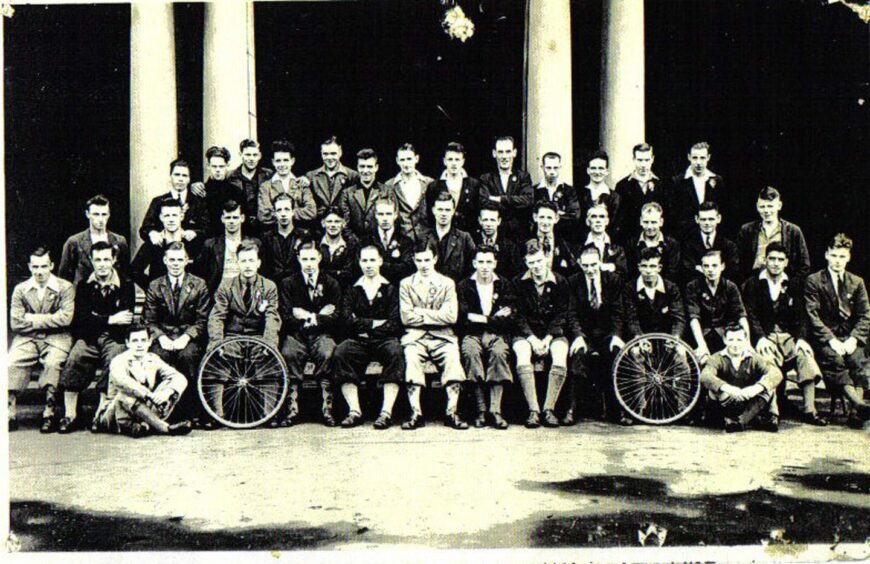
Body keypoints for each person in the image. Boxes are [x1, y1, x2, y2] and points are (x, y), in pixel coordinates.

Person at [741, 242, 826, 425]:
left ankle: (810, 411)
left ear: (786, 262)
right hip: (766, 336)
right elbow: (750, 315)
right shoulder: (753, 284)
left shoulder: (794, 284)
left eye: (780, 260)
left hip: (788, 338)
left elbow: (803, 315)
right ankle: (773, 413)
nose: (775, 264)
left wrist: (802, 339)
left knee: (805, 358)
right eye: (772, 259)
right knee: (768, 363)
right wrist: (760, 338)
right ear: (765, 260)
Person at [58, 241, 135, 433]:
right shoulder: (84, 286)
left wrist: (96, 318)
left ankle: (100, 413)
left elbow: (124, 320)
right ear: (91, 260)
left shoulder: (125, 285)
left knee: (115, 358)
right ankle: (70, 414)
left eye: (106, 259)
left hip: (114, 339)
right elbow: (80, 320)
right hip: (89, 338)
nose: (102, 264)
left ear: (114, 260)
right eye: (98, 259)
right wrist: (110, 319)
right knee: (76, 356)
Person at [206, 240, 281, 423]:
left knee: (268, 361)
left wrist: (269, 343)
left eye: (251, 261)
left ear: (258, 263)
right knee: (218, 360)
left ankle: (268, 414)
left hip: (258, 336)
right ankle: (217, 414)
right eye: (243, 261)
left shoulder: (269, 287)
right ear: (238, 263)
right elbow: (217, 316)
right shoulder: (226, 286)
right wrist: (217, 342)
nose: (247, 265)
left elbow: (272, 317)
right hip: (232, 336)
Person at [331, 244, 404, 429]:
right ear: (359, 262)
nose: (369, 265)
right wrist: (375, 323)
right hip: (359, 340)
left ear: (380, 261)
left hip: (384, 339)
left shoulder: (390, 289)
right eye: (364, 260)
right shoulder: (352, 289)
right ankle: (354, 411)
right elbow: (347, 320)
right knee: (341, 352)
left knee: (395, 352)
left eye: (372, 260)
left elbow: (394, 322)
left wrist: (365, 326)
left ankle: (386, 412)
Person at [399, 239, 468, 430]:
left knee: (452, 359)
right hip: (416, 337)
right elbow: (406, 317)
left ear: (435, 259)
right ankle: (416, 412)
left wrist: (420, 313)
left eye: (427, 260)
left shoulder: (447, 283)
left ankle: (451, 411)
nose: (423, 265)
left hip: (443, 336)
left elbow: (451, 316)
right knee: (411, 358)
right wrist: (436, 316)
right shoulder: (406, 284)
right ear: (413, 260)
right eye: (419, 260)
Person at [804, 234, 870, 428]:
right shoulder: (814, 281)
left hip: (849, 337)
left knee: (858, 360)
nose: (837, 261)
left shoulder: (856, 282)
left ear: (848, 257)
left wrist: (853, 339)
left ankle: (854, 413)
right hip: (825, 338)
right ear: (826, 255)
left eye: (842, 256)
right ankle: (859, 404)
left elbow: (865, 315)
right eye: (834, 256)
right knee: (834, 361)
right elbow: (812, 315)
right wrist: (831, 340)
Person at [143, 242, 211, 427]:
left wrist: (186, 337)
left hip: (188, 338)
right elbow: (149, 320)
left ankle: (189, 411)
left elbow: (202, 321)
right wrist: (162, 338)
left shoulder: (199, 284)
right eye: (171, 259)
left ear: (187, 261)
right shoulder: (155, 285)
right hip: (163, 337)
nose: (175, 264)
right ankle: (159, 410)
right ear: (165, 260)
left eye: (180, 259)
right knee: (158, 357)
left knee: (188, 357)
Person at [7, 248, 74, 432]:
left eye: (44, 266)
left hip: (57, 338)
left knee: (53, 363)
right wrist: (50, 319)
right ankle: (9, 412)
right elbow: (16, 323)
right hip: (27, 338)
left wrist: (31, 318)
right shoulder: (21, 290)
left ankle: (49, 412)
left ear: (51, 266)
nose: (39, 271)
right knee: (11, 362)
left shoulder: (65, 287)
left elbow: (65, 318)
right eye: (35, 266)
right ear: (29, 266)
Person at [277, 240, 342, 427]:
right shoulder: (288, 283)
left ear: (320, 258)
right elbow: (287, 316)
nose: (309, 263)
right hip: (297, 334)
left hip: (322, 334)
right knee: (289, 353)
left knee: (326, 352)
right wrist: (319, 315)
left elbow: (336, 316)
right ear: (298, 259)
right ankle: (291, 408)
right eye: (304, 259)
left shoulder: (331, 283)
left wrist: (309, 317)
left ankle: (327, 408)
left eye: (313, 258)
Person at [93, 323, 193, 438]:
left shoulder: (152, 358)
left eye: (143, 340)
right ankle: (164, 428)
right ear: (127, 343)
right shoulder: (119, 361)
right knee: (125, 394)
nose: (140, 345)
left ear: (149, 342)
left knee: (170, 384)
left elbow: (179, 377)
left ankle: (144, 426)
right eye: (135, 341)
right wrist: (149, 395)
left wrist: (167, 392)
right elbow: (124, 381)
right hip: (116, 414)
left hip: (142, 410)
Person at [512, 239, 572, 428]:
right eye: (531, 262)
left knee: (560, 353)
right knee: (522, 353)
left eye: (539, 261)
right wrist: (531, 338)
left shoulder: (560, 282)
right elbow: (518, 315)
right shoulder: (518, 282)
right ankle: (533, 410)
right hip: (526, 334)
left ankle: (549, 409)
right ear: (525, 262)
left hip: (551, 334)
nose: (536, 266)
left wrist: (547, 338)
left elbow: (562, 314)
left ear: (546, 258)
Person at [458, 245, 517, 429]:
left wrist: (481, 319)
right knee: (470, 352)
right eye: (481, 262)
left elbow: (510, 319)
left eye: (489, 262)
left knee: (499, 353)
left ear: (495, 263)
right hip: (472, 335)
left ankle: (495, 410)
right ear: (474, 263)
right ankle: (481, 410)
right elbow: (463, 319)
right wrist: (494, 318)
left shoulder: (504, 284)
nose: (484, 266)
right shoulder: (464, 285)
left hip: (497, 335)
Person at [566, 246, 627, 425]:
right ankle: (572, 409)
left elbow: (618, 312)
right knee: (578, 357)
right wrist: (577, 336)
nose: (590, 269)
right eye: (586, 265)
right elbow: (572, 313)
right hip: (585, 334)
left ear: (600, 262)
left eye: (594, 265)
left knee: (617, 355)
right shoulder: (573, 281)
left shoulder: (613, 280)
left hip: (607, 333)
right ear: (580, 264)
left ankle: (619, 410)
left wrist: (616, 335)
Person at [700, 324, 783, 432]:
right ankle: (744, 420)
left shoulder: (754, 358)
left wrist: (754, 389)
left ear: (745, 340)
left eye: (739, 340)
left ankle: (739, 422)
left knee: (769, 386)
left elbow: (776, 373)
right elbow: (706, 376)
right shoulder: (717, 358)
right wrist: (729, 388)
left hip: (747, 400)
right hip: (727, 402)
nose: (735, 344)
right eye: (731, 340)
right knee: (714, 389)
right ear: (725, 340)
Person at [685, 250, 749, 364]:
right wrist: (702, 345)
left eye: (714, 265)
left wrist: (747, 344)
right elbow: (694, 318)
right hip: (701, 334)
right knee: (700, 361)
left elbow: (741, 315)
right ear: (702, 268)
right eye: (706, 266)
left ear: (722, 266)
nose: (710, 270)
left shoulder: (730, 287)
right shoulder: (692, 287)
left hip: (724, 335)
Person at [736, 186, 810, 285]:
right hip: (754, 285)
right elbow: (738, 264)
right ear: (757, 207)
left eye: (770, 206)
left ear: (779, 205)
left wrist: (789, 286)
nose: (766, 211)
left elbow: (804, 266)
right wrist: (746, 285)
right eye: (762, 207)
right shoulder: (747, 230)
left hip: (783, 286)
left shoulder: (793, 231)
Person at [58, 194, 130, 285]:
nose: (100, 219)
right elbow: (63, 278)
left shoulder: (119, 241)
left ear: (109, 215)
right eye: (96, 214)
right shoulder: (74, 242)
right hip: (82, 295)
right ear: (87, 214)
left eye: (104, 214)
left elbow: (126, 275)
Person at [194, 200, 263, 292]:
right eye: (228, 217)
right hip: (219, 294)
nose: (231, 221)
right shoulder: (211, 245)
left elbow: (263, 272)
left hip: (247, 294)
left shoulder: (255, 243)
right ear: (222, 219)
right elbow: (200, 273)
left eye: (235, 217)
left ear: (242, 218)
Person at [139, 159, 209, 247]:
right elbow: (145, 228)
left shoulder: (198, 202)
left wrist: (195, 233)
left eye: (184, 176)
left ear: (189, 179)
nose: (180, 179)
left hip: (191, 251)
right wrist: (152, 233)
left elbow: (207, 229)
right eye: (177, 175)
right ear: (170, 177)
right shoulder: (158, 202)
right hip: (163, 250)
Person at [131, 200, 198, 291]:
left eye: (174, 215)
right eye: (167, 216)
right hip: (160, 300)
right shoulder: (153, 244)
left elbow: (202, 271)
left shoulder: (192, 242)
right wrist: (153, 288)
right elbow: (134, 271)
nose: (171, 220)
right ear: (161, 218)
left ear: (181, 216)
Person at [622, 247, 686, 341]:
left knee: (681, 353)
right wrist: (639, 338)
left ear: (659, 268)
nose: (648, 271)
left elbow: (678, 318)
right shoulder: (630, 288)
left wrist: (675, 337)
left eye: (652, 266)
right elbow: (631, 318)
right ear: (639, 267)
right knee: (636, 353)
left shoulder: (671, 288)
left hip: (667, 338)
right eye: (644, 266)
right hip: (640, 337)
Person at [424, 141, 486, 236]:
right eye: (450, 159)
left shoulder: (474, 184)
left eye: (457, 159)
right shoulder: (434, 186)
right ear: (444, 161)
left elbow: (477, 213)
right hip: (443, 237)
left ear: (463, 161)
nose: (454, 163)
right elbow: (429, 216)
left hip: (468, 237)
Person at [670, 142, 729, 238]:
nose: (698, 162)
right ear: (689, 157)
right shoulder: (678, 182)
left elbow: (723, 209)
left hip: (711, 235)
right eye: (695, 158)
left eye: (702, 158)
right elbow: (675, 214)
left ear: (708, 157)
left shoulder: (716, 180)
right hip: (686, 237)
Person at [479, 136, 534, 239]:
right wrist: (514, 202)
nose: (504, 156)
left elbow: (528, 200)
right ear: (494, 154)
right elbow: (483, 201)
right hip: (494, 235)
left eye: (508, 152)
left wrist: (500, 199)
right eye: (500, 152)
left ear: (514, 153)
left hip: (518, 235)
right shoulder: (486, 178)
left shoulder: (523, 177)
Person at [257, 139, 316, 232]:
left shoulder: (301, 183)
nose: (282, 164)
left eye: (285, 160)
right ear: (273, 162)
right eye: (278, 161)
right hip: (274, 234)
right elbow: (264, 215)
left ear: (292, 161)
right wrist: (294, 211)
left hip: (299, 233)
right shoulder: (266, 186)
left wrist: (285, 213)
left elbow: (311, 211)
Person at [614, 143, 669, 243]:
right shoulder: (623, 186)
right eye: (640, 160)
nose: (643, 165)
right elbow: (620, 220)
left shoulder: (661, 184)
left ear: (652, 159)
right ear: (634, 159)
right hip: (631, 242)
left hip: (656, 240)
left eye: (646, 160)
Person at [338, 148, 394, 239]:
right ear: (357, 167)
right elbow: (344, 223)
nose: (365, 171)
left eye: (369, 167)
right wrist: (357, 244)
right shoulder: (347, 193)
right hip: (354, 245)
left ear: (376, 167)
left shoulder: (386, 191)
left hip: (380, 244)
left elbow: (392, 220)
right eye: (362, 166)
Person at [420, 192, 476, 282]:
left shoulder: (464, 238)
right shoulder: (423, 237)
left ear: (453, 211)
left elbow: (473, 268)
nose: (444, 214)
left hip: (457, 289)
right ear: (433, 210)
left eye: (447, 210)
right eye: (440, 209)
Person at [384, 143, 433, 242]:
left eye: (409, 159)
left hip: (426, 240)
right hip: (402, 241)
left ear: (416, 159)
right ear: (397, 161)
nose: (406, 164)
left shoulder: (429, 183)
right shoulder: (390, 185)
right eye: (402, 160)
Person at [681, 201, 740, 285]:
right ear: (697, 219)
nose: (707, 223)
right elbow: (688, 273)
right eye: (703, 219)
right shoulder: (688, 245)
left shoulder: (729, 245)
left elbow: (732, 272)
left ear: (718, 218)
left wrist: (700, 269)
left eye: (711, 219)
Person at [305, 136, 360, 223]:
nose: (329, 158)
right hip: (318, 226)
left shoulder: (352, 175)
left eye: (333, 153)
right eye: (325, 154)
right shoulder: (311, 176)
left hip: (343, 224)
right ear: (321, 153)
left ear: (340, 152)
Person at [361, 197, 414, 285]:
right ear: (376, 215)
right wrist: (392, 266)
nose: (385, 218)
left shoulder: (406, 242)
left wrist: (377, 265)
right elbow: (360, 267)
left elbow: (407, 269)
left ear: (395, 215)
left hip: (397, 288)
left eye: (388, 214)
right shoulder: (365, 242)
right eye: (381, 214)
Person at [226, 139, 275, 231]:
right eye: (248, 155)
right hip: (240, 226)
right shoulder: (230, 176)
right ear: (241, 154)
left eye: (255, 155)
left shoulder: (268, 175)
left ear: (259, 156)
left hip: (263, 227)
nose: (251, 159)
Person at [201, 146, 248, 237]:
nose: (218, 170)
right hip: (208, 239)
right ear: (208, 166)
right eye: (214, 166)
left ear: (227, 165)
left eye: (221, 166)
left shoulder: (236, 191)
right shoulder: (202, 190)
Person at [627, 202, 681, 282]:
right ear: (641, 221)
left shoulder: (671, 244)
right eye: (646, 222)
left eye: (653, 222)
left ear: (661, 222)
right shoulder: (632, 243)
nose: (649, 227)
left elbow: (672, 272)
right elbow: (631, 272)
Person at [533, 151, 581, 237]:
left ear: (560, 167)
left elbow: (575, 216)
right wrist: (560, 213)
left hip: (564, 236)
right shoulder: (535, 190)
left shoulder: (569, 191)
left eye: (555, 168)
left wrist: (546, 217)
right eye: (548, 168)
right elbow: (531, 216)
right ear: (542, 167)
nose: (552, 172)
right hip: (538, 237)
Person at [578, 151, 623, 241]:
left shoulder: (615, 197)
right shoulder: (578, 194)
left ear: (606, 171)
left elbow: (615, 226)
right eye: (593, 168)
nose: (597, 172)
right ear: (588, 170)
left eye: (601, 168)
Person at [260, 193, 304, 283]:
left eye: (287, 209)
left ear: (293, 212)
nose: (283, 214)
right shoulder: (266, 238)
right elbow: (264, 267)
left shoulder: (302, 236)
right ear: (275, 213)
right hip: (274, 285)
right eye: (279, 210)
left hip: (296, 287)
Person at [472, 203, 522, 279]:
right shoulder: (471, 242)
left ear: (499, 221)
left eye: (492, 220)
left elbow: (516, 274)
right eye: (485, 220)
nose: (489, 224)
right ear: (480, 220)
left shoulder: (510, 247)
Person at [531, 200, 580, 278]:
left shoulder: (564, 244)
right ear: (535, 217)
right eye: (542, 217)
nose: (545, 222)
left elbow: (573, 269)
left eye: (549, 218)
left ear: (556, 219)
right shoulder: (525, 241)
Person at [582, 204, 628, 278]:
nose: (598, 220)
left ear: (607, 221)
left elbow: (623, 271)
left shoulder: (617, 247)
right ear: (587, 221)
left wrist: (610, 267)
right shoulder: (580, 246)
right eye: (594, 217)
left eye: (602, 217)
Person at [318, 207, 360, 286]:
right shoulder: (316, 245)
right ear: (323, 223)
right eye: (329, 221)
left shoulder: (351, 246)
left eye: (337, 221)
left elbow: (349, 274)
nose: (333, 225)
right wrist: (338, 272)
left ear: (343, 223)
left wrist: (324, 272)